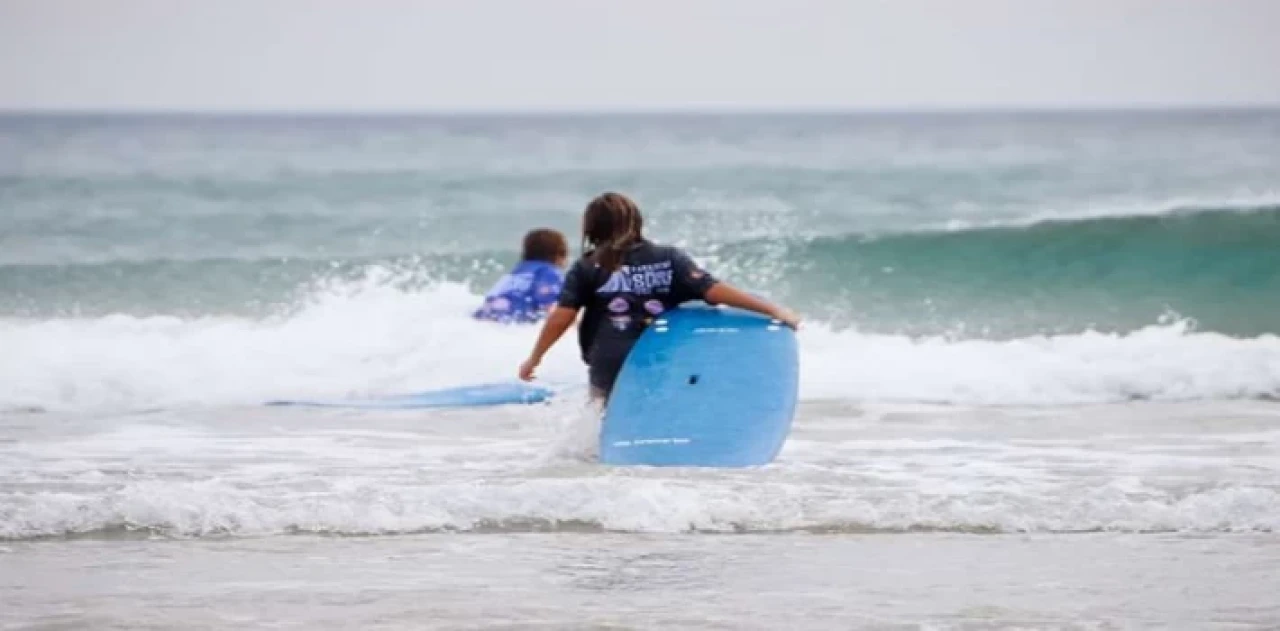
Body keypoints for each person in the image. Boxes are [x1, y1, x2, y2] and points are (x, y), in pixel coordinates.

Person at [517, 192, 800, 401]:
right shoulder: (668, 258)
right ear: (637, 223)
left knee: (604, 418)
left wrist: (535, 358)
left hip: (609, 358)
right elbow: (713, 291)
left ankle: (602, 469)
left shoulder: (587, 266)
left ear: (592, 229)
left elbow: (562, 317)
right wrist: (771, 310)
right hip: (663, 351)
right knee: (659, 406)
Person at [472, 228, 569, 324]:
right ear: (559, 254)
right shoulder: (549, 272)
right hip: (512, 321)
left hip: (485, 316)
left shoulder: (517, 272)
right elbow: (549, 305)